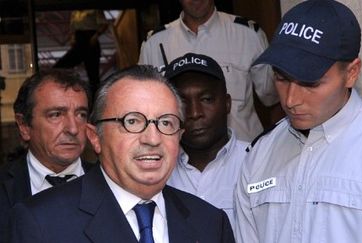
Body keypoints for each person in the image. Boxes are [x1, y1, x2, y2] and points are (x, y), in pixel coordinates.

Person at [234, 0, 362, 242]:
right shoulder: (259, 155)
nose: (291, 99)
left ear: (351, 73)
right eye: (281, 78)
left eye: (310, 83)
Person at [9, 65, 235, 243]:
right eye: (132, 121)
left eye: (166, 123)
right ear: (95, 137)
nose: (153, 139)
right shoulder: (42, 222)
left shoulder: (210, 223)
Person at [138, 0, 283, 142]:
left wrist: (275, 146)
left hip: (244, 155)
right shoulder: (154, 44)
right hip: (180, 159)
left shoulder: (248, 35)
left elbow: (275, 99)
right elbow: (144, 109)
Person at [0, 69, 94, 243]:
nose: (73, 129)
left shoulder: (113, 182)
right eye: (56, 114)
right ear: (24, 126)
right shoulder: (4, 189)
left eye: (81, 114)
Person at [164, 53, 248, 226]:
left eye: (206, 99)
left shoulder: (256, 161)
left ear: (227, 104)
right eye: (182, 104)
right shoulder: (157, 172)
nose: (195, 113)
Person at [53, 10, 108, 98]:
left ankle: (96, 100)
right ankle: (65, 87)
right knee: (59, 67)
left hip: (90, 40)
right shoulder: (75, 11)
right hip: (79, 41)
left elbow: (104, 24)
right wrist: (72, 37)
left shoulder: (94, 9)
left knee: (93, 76)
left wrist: (96, 36)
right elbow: (72, 27)